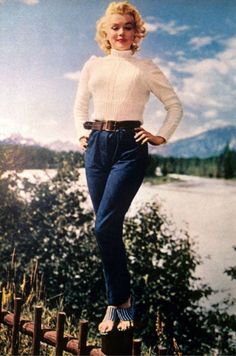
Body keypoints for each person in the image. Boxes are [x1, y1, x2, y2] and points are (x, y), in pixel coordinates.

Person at [74, 1, 183, 335]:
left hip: (130, 149)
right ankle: (120, 301)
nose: (121, 33)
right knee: (108, 229)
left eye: (128, 27)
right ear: (106, 33)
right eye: (115, 27)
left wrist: (160, 136)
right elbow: (80, 105)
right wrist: (82, 132)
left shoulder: (146, 67)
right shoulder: (92, 66)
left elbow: (174, 106)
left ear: (137, 33)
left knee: (104, 228)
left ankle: (119, 302)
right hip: (97, 147)